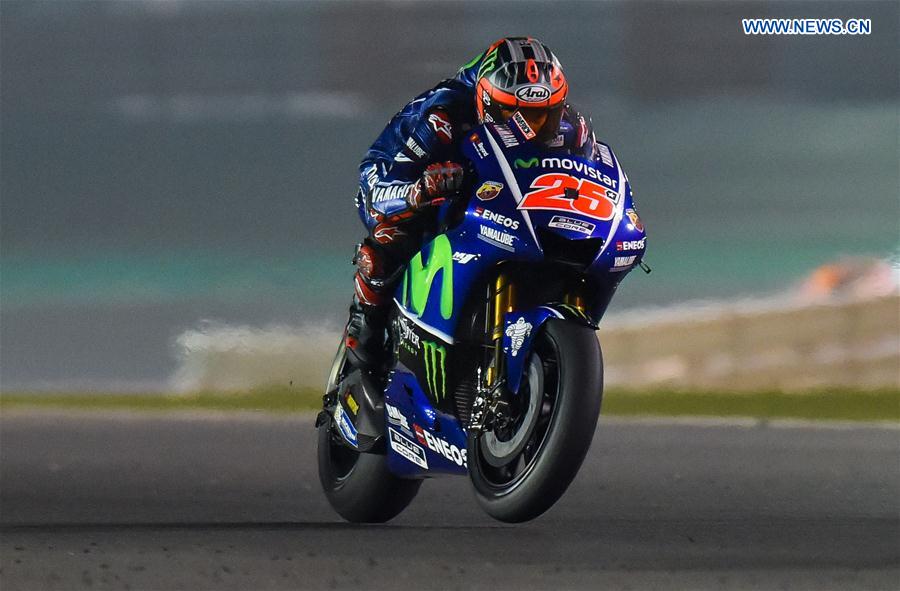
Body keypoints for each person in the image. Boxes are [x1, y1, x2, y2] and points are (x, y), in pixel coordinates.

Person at [345, 37, 602, 371]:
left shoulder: (573, 127)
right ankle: (364, 328)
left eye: (541, 116)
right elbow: (383, 187)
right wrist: (421, 189)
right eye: (512, 115)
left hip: (493, 181)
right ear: (486, 101)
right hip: (392, 174)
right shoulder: (443, 117)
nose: (527, 130)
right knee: (399, 231)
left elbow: (588, 172)